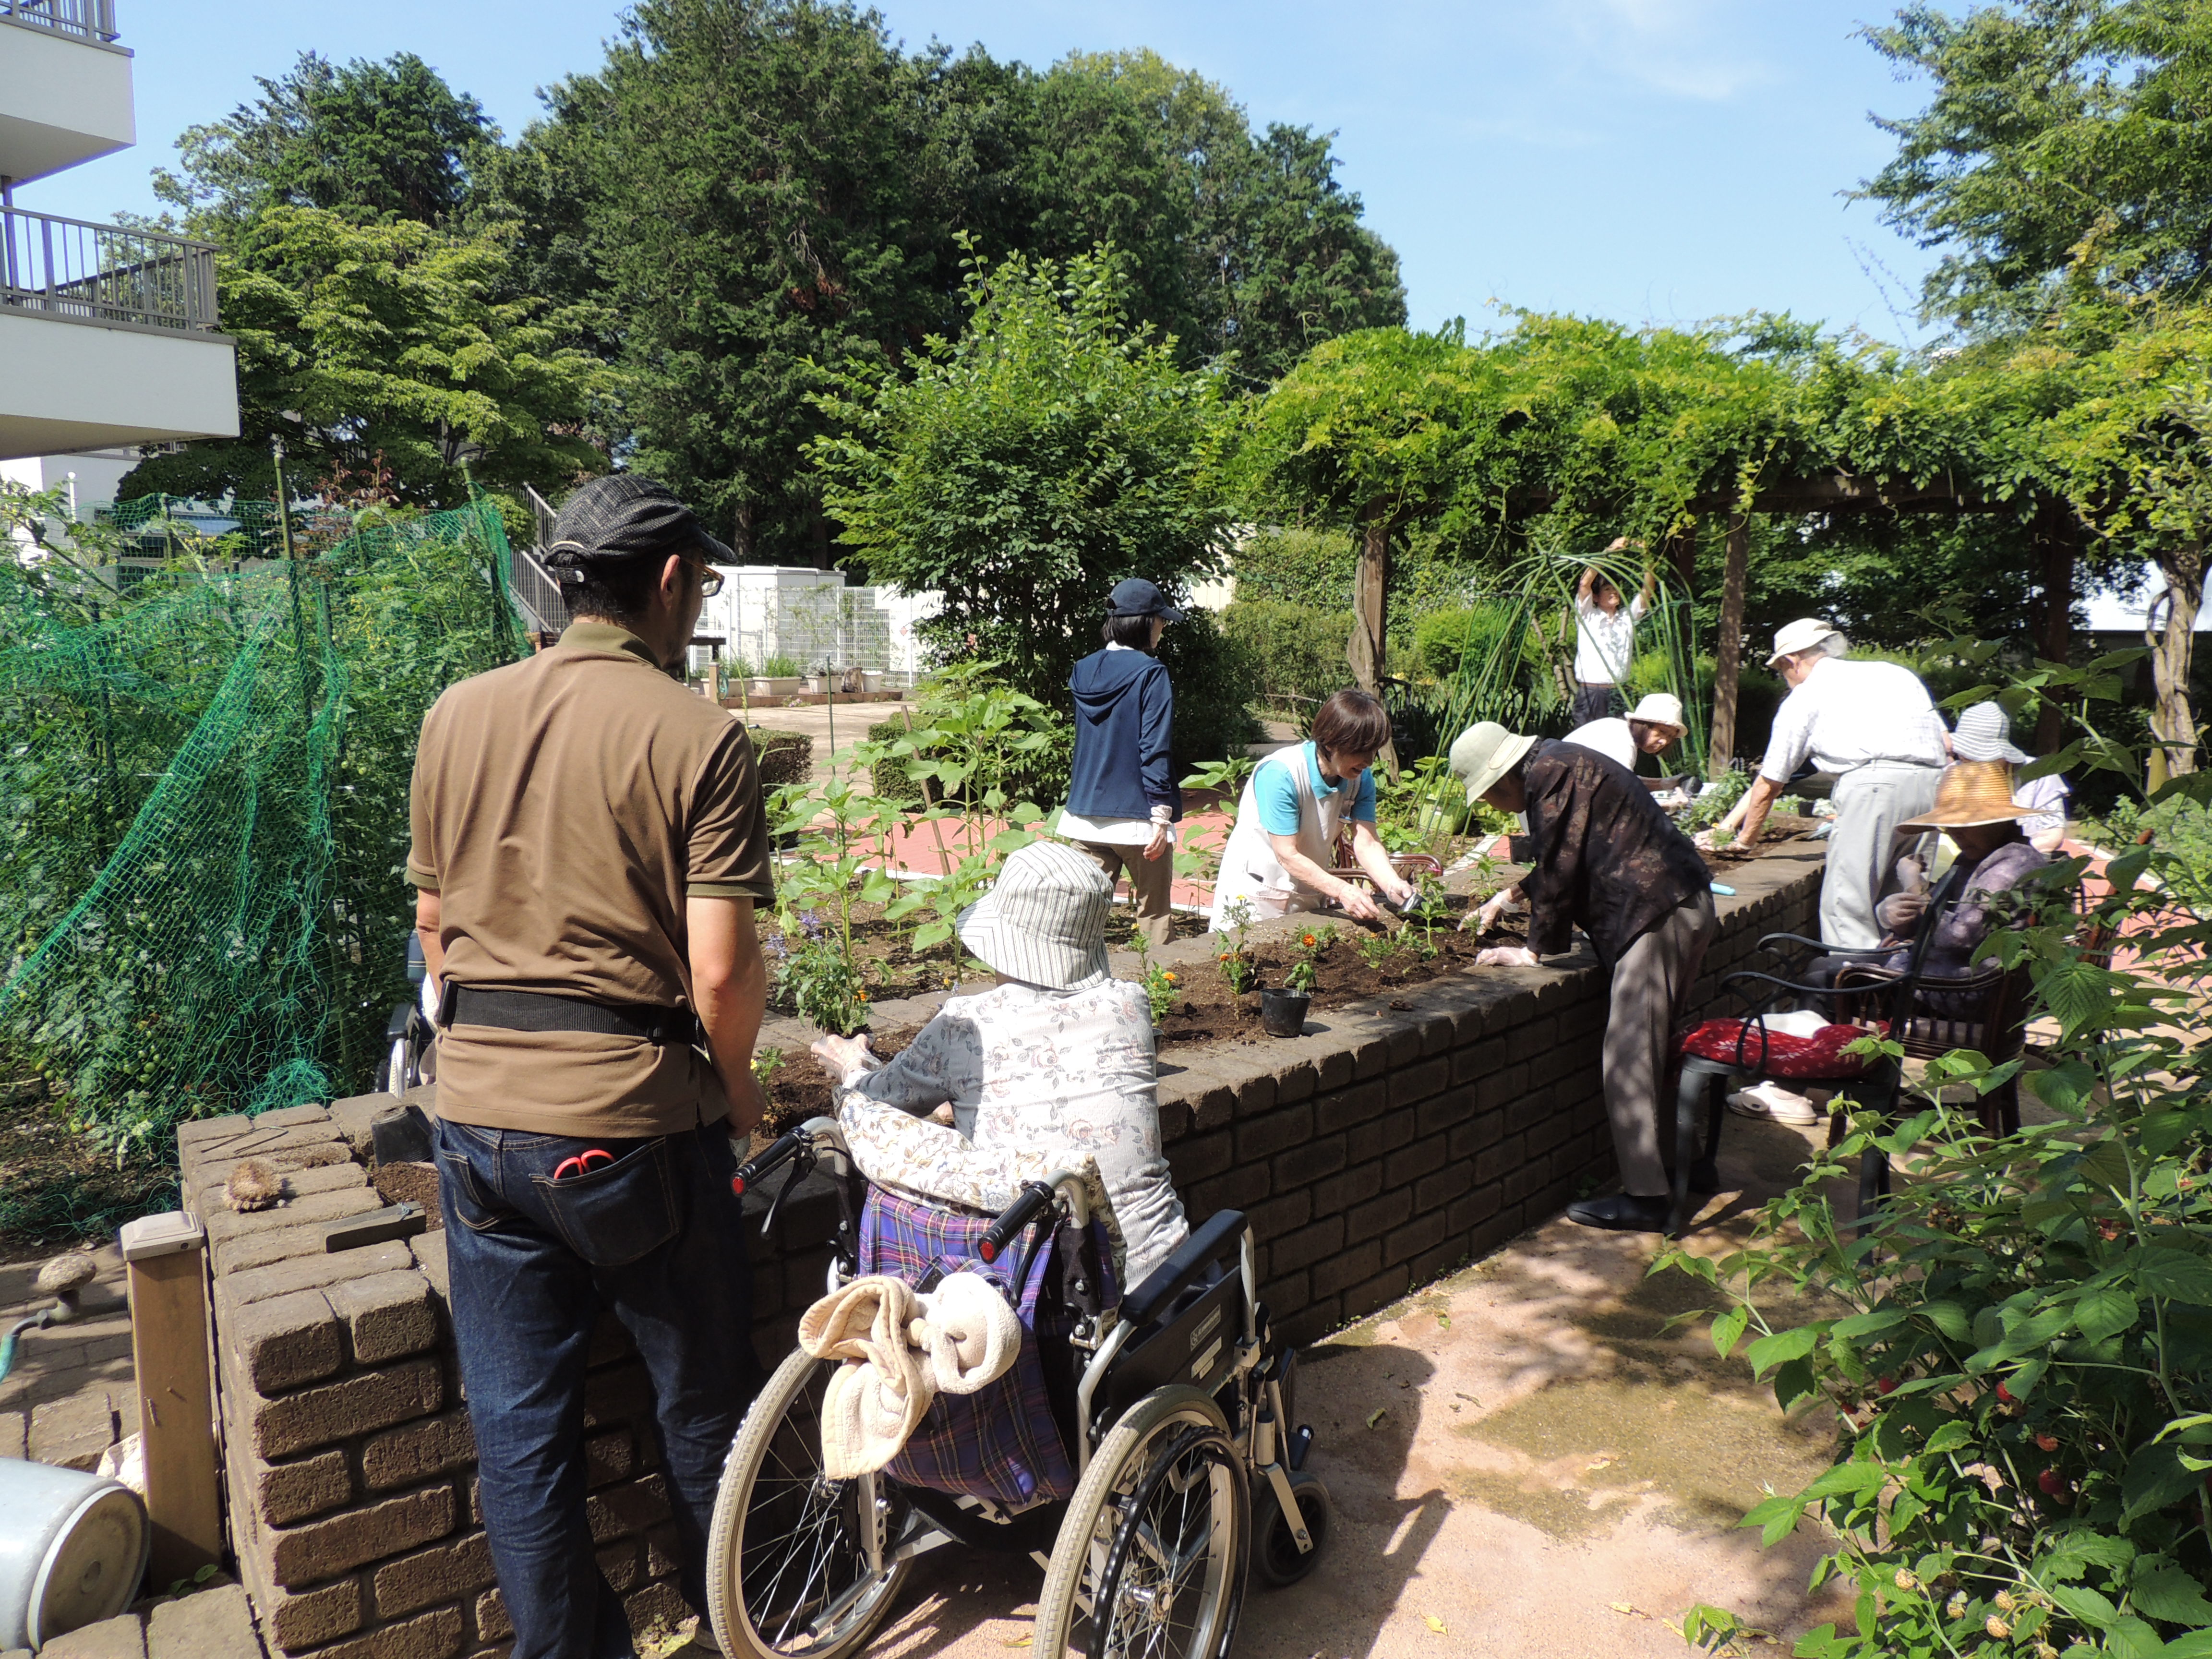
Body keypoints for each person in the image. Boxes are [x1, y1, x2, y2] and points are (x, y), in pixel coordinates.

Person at [409, 475, 769, 1659]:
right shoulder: (697, 732)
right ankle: (731, 1629)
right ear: (667, 581)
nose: (698, 600)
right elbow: (717, 974)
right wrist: (744, 1095)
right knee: (706, 1410)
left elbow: (433, 924)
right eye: (702, 582)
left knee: (516, 1432)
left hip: (471, 1122)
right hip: (628, 1125)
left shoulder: (454, 711)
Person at [811, 840, 1190, 1283]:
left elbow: (875, 1103)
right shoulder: (1130, 1007)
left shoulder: (965, 1025)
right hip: (1165, 1276)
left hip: (1037, 1285)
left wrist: (851, 1063)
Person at [1447, 721, 1716, 1232]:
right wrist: (1509, 896)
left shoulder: (1548, 776)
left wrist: (1532, 951)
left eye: (1485, 795)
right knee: (1657, 1053)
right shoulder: (1561, 763)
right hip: (1680, 905)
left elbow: (1563, 865)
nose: (1488, 805)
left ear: (1501, 776)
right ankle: (1691, 1166)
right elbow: (1571, 852)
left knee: (1628, 1059)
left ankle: (1648, 1199)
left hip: (1654, 913)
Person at [1726, 619, 1948, 950]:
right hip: (1932, 786)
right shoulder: (1895, 674)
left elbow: (1770, 781)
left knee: (1848, 906)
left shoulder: (1805, 696)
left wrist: (1744, 841)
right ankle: (1903, 981)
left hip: (1874, 789)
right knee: (1905, 899)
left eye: (1780, 670)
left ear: (1792, 662)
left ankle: (1851, 986)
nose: (1784, 679)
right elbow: (1946, 741)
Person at [1209, 688, 1417, 927]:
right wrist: (1342, 890)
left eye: (1373, 750)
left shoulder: (1361, 778)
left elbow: (1367, 842)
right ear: (1331, 741)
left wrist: (1392, 885)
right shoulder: (1282, 774)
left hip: (1306, 894)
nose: (1369, 760)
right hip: (1253, 898)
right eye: (1360, 750)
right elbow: (1287, 854)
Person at [1061, 578, 1184, 951]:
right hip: (1138, 821)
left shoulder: (1083, 670)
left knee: (1080, 922)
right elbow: (1153, 748)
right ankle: (1157, 1002)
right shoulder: (1151, 673)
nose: (1163, 627)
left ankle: (1073, 996)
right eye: (1160, 620)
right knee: (1154, 919)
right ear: (1144, 622)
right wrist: (1161, 817)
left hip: (1085, 817)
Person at [1950, 700, 2070, 854]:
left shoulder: (2039, 774)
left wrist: (2004, 859)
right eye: (1964, 756)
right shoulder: (1953, 774)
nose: (1967, 761)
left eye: (1975, 757)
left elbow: (2051, 836)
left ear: (2003, 756)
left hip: (2024, 861)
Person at [1571, 545, 1656, 726]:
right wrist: (1607, 552)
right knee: (1585, 742)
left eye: (1615, 589)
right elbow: (1585, 584)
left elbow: (1648, 591)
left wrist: (1646, 556)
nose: (1614, 592)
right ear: (1596, 597)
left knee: (1618, 739)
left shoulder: (1626, 617)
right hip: (1592, 693)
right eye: (1608, 589)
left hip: (1618, 692)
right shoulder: (1588, 616)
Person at [1565, 691, 1688, 774]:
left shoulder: (1616, 727)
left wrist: (1668, 783)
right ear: (1643, 725)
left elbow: (1628, 782)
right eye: (1662, 731)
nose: (1665, 741)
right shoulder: (1622, 742)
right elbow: (1623, 792)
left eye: (1670, 737)